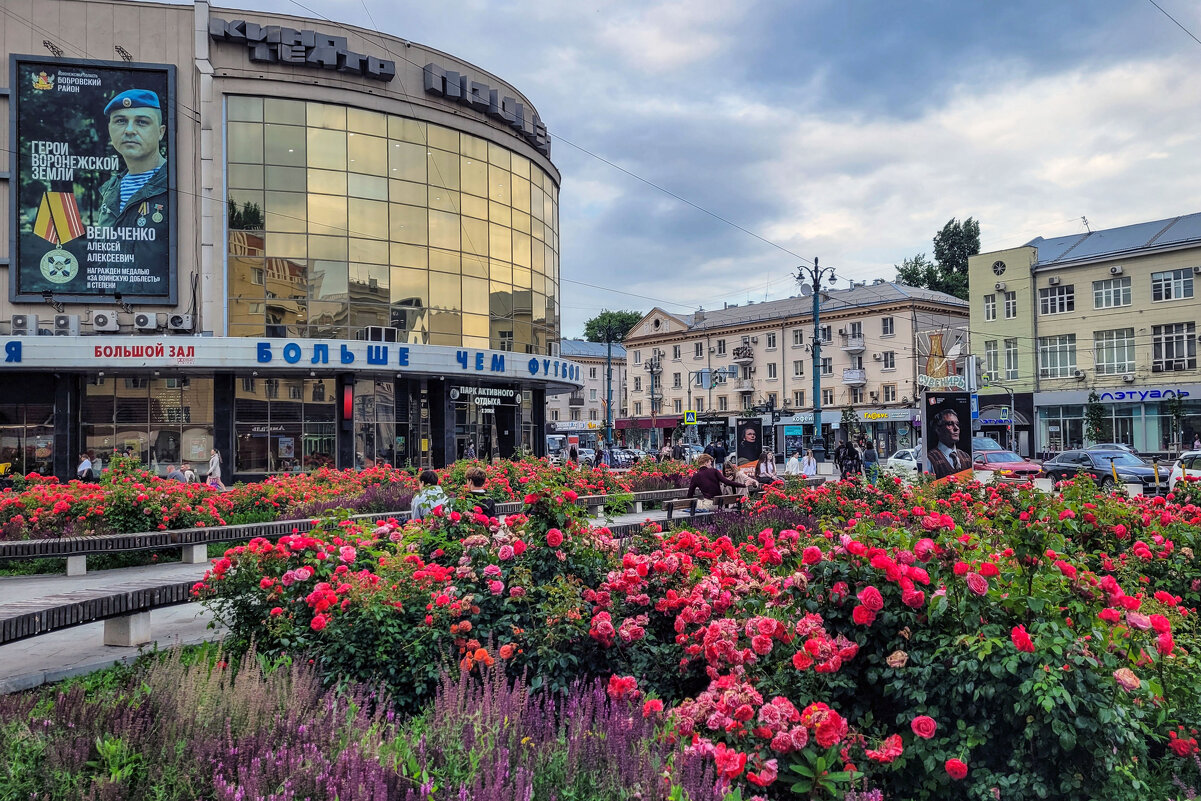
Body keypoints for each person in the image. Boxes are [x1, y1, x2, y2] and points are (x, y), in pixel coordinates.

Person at [96, 90, 169, 267]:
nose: (129, 130)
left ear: (161, 132)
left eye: (142, 122)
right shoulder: (110, 190)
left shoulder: (176, 183)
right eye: (120, 121)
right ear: (110, 129)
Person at [927, 408, 970, 479]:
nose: (956, 428)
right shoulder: (930, 458)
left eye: (957, 424)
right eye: (950, 424)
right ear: (938, 429)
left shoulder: (966, 457)